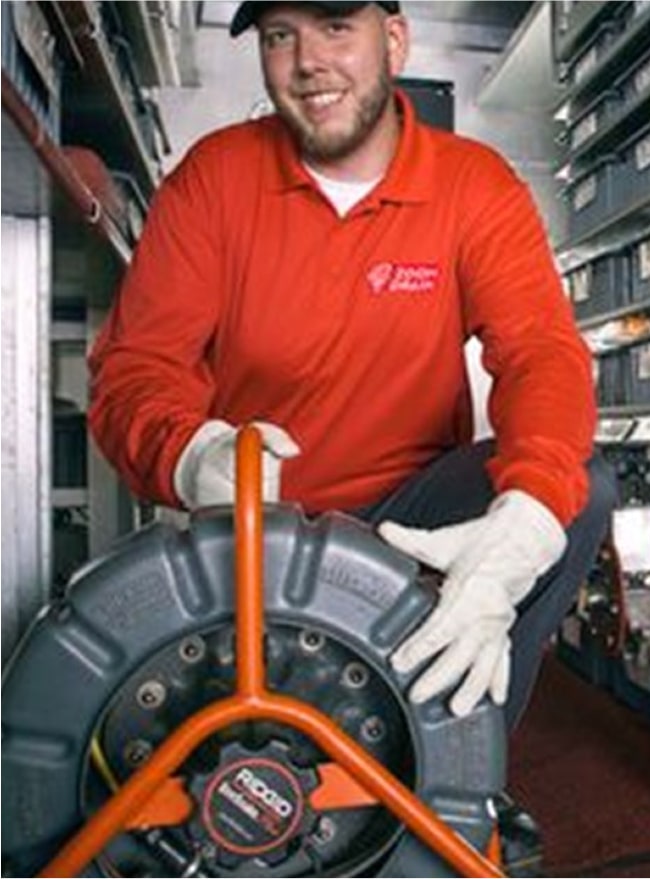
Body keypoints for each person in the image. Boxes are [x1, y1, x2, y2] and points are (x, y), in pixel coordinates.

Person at [87, 0, 614, 734]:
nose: (307, 62)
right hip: (258, 519)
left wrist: (527, 510)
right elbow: (136, 368)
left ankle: (468, 774)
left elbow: (540, 353)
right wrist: (188, 452)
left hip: (410, 523)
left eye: (336, 27)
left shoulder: (475, 186)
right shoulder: (214, 178)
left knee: (575, 489)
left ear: (393, 40)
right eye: (280, 36)